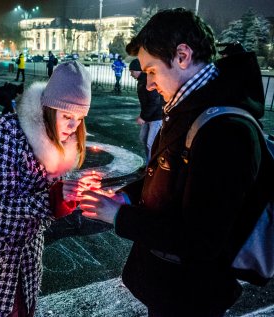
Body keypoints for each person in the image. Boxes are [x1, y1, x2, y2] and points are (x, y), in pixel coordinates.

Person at [80, 8, 266, 317]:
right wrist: (125, 195)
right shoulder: (190, 109)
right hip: (171, 287)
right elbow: (169, 175)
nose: (149, 84)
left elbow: (202, 240)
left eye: (151, 70)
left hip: (192, 297)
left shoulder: (225, 130)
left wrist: (119, 216)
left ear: (182, 55)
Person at [0, 61, 100, 317]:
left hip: (26, 259)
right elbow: (2, 205)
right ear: (50, 108)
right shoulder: (7, 131)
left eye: (80, 119)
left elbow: (47, 206)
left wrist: (71, 194)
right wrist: (56, 198)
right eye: (67, 117)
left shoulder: (64, 142)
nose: (73, 127)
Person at [128, 58, 163, 164]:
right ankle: (149, 164)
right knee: (143, 138)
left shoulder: (147, 81)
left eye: (132, 71)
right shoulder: (141, 81)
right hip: (149, 116)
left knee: (150, 143)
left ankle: (152, 166)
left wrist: (143, 117)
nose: (131, 74)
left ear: (138, 70)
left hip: (156, 117)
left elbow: (154, 101)